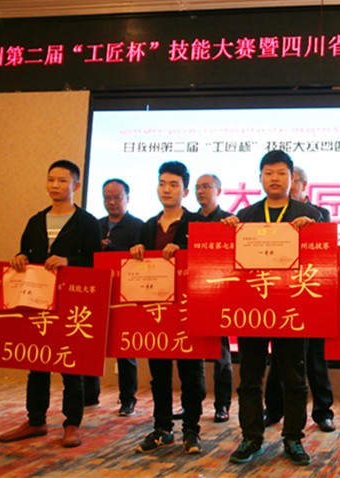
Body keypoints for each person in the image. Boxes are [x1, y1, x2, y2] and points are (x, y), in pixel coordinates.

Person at [225, 150, 322, 467]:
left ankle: (293, 438)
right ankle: (251, 438)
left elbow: (322, 258)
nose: (275, 179)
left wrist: (313, 231)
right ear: (260, 178)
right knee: (250, 378)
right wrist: (226, 229)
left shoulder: (310, 214)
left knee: (294, 378)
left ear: (292, 178)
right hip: (252, 309)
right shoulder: (246, 215)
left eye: (281, 173)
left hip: (293, 309)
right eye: (268, 173)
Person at [0, 159, 102, 448]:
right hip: (38, 301)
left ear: (76, 186)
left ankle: (72, 424)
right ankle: (36, 421)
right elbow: (25, 253)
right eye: (51, 180)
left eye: (62, 181)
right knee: (37, 362)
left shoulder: (87, 222)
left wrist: (70, 261)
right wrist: (19, 258)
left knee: (71, 365)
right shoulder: (36, 220)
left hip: (72, 302)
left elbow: (96, 261)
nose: (55, 185)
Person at [130, 161, 206, 455]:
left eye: (174, 185)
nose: (166, 189)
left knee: (191, 374)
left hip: (189, 309)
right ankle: (162, 428)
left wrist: (185, 252)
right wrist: (137, 251)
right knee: (159, 373)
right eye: (162, 183)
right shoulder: (147, 225)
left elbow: (208, 260)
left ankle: (191, 430)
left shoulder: (198, 223)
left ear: (185, 191)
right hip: (157, 310)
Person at [262, 166, 336, 433]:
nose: (283, 183)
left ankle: (323, 411)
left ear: (302, 184)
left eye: (291, 179)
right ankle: (273, 409)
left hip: (309, 292)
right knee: (278, 358)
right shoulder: (268, 213)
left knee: (315, 358)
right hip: (277, 293)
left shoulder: (318, 213)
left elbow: (325, 248)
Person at [99, 178, 145, 417]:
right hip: (98, 291)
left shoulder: (138, 226)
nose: (112, 202)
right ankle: (89, 393)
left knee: (125, 349)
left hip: (126, 293)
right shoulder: (95, 225)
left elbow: (141, 258)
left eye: (117, 197)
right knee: (90, 344)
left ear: (128, 198)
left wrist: (110, 249)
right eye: (107, 198)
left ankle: (128, 399)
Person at [195, 173, 233, 424]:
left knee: (221, 355)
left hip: (221, 294)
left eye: (207, 186)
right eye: (197, 187)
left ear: (218, 190)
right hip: (195, 293)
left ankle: (222, 405)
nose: (201, 191)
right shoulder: (189, 220)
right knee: (194, 355)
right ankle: (193, 404)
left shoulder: (229, 220)